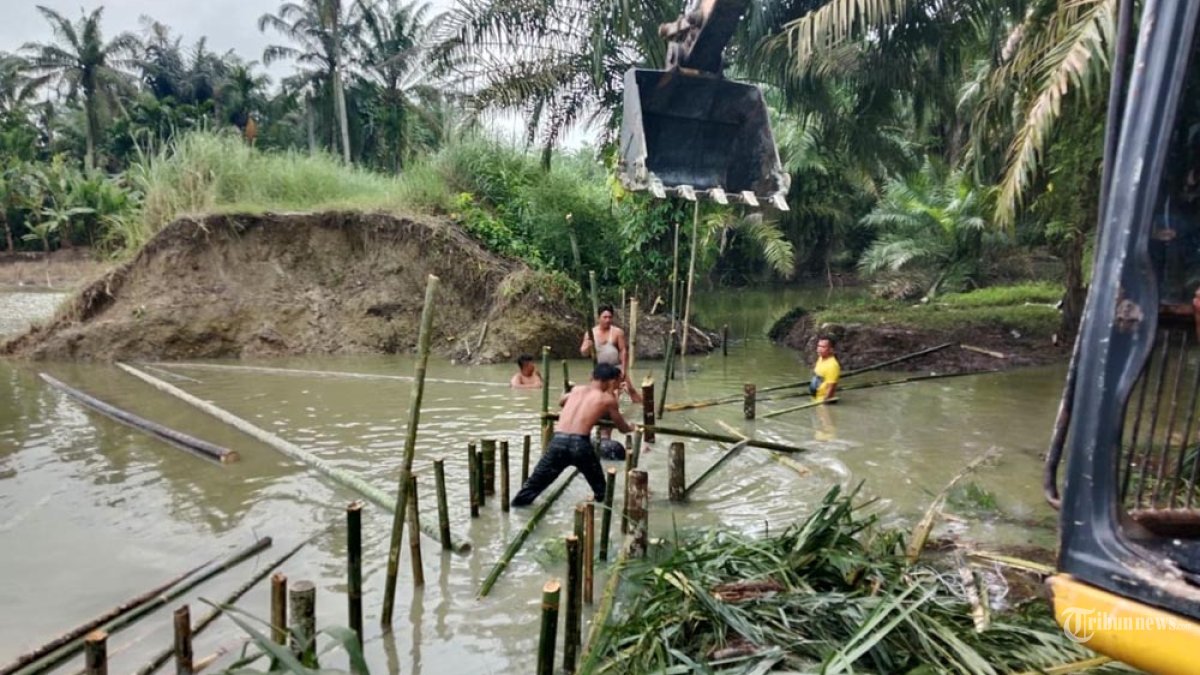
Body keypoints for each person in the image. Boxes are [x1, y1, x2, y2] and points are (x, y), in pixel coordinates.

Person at [512, 363, 635, 506]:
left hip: (558, 441)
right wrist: (631, 427)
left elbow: (561, 401)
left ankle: (516, 509)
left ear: (592, 377)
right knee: (602, 492)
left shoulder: (577, 390)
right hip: (580, 445)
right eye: (617, 384)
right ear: (612, 381)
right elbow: (622, 428)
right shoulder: (607, 400)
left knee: (531, 488)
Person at [809, 336, 840, 402]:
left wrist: (824, 402)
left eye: (823, 347)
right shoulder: (820, 358)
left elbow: (831, 387)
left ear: (831, 349)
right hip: (815, 398)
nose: (819, 349)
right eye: (818, 346)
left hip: (822, 401)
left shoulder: (832, 365)